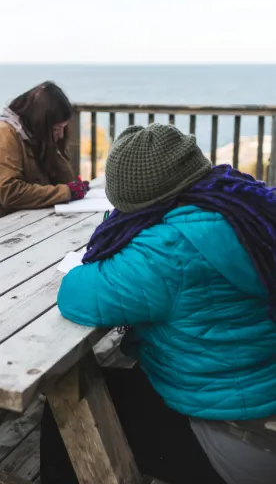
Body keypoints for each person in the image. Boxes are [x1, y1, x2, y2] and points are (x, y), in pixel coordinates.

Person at [41, 123, 276, 484]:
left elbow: (75, 294)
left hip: (243, 443)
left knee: (69, 403)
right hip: (258, 408)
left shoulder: (166, 249)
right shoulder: (246, 206)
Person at [0, 81, 90, 228]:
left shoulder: (34, 136)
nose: (60, 134)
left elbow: (64, 180)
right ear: (40, 121)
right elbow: (10, 192)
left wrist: (56, 153)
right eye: (56, 128)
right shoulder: (3, 136)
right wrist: (66, 192)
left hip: (13, 223)